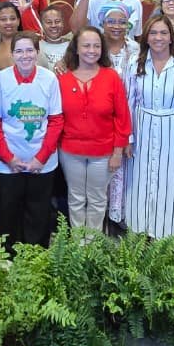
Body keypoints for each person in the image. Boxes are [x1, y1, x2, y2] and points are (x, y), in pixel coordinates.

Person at [0, 31, 64, 247]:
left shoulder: (49, 79)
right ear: (12, 54)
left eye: (30, 50)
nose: (25, 55)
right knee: (8, 211)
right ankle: (10, 256)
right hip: (7, 162)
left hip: (43, 161)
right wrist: (8, 158)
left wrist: (40, 158)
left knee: (39, 211)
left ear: (38, 52)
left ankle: (37, 255)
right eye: (19, 51)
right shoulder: (0, 80)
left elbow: (56, 121)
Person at [122, 15, 174, 238]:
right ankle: (137, 231)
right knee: (139, 180)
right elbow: (127, 102)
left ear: (172, 37)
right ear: (146, 37)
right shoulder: (135, 62)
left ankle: (167, 236)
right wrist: (128, 138)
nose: (158, 37)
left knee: (170, 182)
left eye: (163, 33)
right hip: (142, 127)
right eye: (153, 33)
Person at [57, 26, 132, 231]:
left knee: (98, 199)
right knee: (76, 198)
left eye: (96, 46)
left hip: (103, 152)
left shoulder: (112, 77)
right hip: (71, 152)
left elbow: (123, 117)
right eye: (86, 45)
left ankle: (93, 245)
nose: (92, 50)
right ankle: (78, 246)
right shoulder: (62, 80)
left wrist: (117, 152)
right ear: (77, 49)